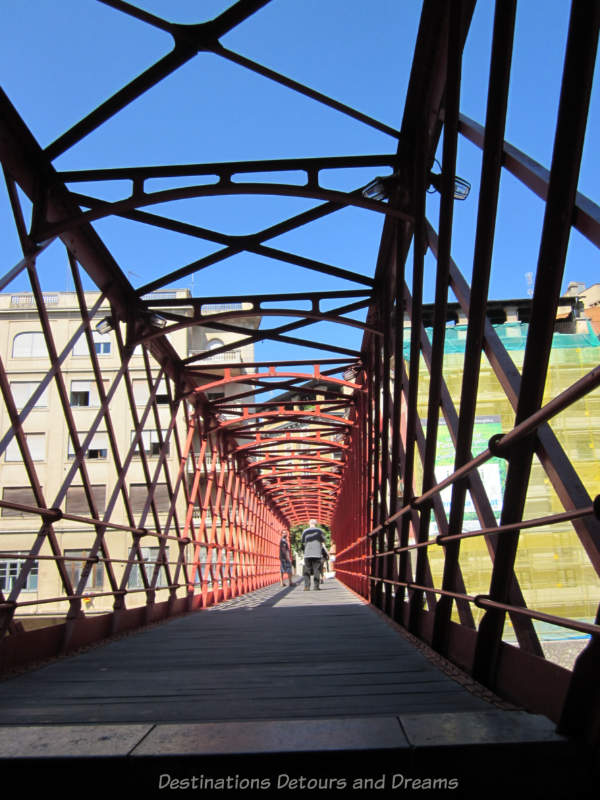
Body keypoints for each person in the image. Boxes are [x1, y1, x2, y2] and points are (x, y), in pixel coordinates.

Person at [301, 519, 327, 591]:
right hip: (317, 554)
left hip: (307, 553)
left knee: (307, 570)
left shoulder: (305, 531)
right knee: (316, 570)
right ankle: (316, 586)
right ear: (316, 524)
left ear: (309, 523)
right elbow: (324, 540)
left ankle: (307, 586)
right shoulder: (320, 531)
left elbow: (302, 541)